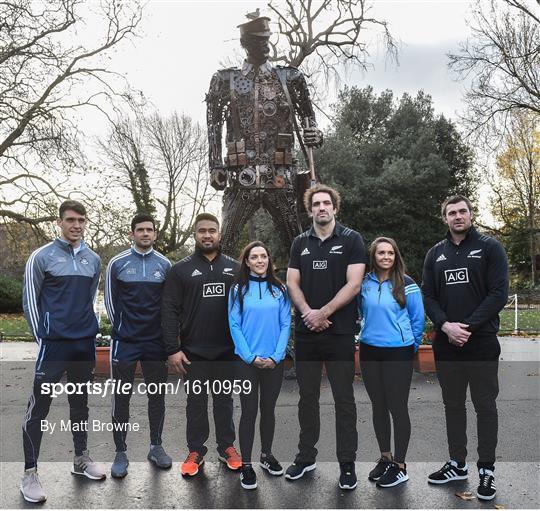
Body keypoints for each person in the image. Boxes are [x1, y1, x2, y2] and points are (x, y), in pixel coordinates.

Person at [206, 14, 323, 254]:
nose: (265, 44)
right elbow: (213, 126)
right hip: (241, 174)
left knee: (298, 243)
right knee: (225, 243)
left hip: (281, 173)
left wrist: (315, 135)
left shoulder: (290, 78)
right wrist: (215, 165)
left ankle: (306, 287)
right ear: (244, 43)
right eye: (257, 40)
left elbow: (309, 122)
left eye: (267, 38)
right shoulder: (225, 80)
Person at [422, 195, 509, 501]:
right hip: (447, 345)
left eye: (463, 211)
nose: (458, 216)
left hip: (481, 343)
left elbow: (499, 293)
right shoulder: (436, 254)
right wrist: (446, 326)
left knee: (485, 406)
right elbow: (428, 296)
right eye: (451, 213)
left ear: (471, 214)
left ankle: (486, 469)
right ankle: (457, 464)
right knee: (453, 406)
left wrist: (468, 327)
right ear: (444, 218)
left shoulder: (489, 248)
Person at [21, 200, 105, 503]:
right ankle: (30, 473)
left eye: (82, 220)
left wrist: (91, 332)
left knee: (80, 404)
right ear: (60, 222)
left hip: (83, 345)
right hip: (54, 345)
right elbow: (30, 302)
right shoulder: (40, 257)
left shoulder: (93, 259)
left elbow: (90, 298)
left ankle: (81, 459)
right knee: (39, 408)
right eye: (71, 220)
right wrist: (43, 339)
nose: (77, 225)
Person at [285, 184, 366, 490]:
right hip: (307, 333)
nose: (321, 207)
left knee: (344, 400)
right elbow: (293, 283)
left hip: (340, 333)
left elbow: (354, 284)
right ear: (310, 210)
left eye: (326, 203)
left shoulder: (351, 239)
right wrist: (308, 312)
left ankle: (347, 463)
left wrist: (325, 313)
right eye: (316, 203)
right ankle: (306, 457)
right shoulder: (299, 243)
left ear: (335, 208)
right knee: (307, 399)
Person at [161, 213, 242, 477]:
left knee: (224, 402)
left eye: (212, 230)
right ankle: (196, 450)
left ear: (219, 234)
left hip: (226, 353)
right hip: (193, 354)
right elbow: (169, 310)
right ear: (194, 234)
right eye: (202, 231)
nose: (207, 235)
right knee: (195, 404)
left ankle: (227, 447)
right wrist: (173, 349)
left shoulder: (236, 268)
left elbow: (247, 309)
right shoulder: (180, 269)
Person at [105, 213, 173, 478]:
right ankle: (120, 452)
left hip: (155, 342)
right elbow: (110, 302)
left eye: (150, 230)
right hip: (125, 341)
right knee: (121, 397)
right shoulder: (117, 263)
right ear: (132, 233)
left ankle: (156, 446)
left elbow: (168, 305)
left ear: (155, 235)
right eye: (140, 230)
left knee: (157, 396)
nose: (145, 233)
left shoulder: (165, 265)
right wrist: (122, 329)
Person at [358, 237, 425, 488]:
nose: (385, 257)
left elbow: (418, 320)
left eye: (390, 253)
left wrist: (411, 347)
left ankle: (400, 465)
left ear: (396, 256)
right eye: (380, 253)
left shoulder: (407, 284)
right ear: (373, 256)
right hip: (369, 350)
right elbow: (360, 312)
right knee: (378, 405)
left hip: (399, 352)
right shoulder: (364, 283)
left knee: (397, 407)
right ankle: (385, 458)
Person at [228, 241, 291, 490]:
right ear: (247, 261)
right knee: (249, 411)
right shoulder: (238, 289)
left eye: (264, 256)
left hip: (274, 361)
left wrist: (276, 356)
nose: (260, 260)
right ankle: (246, 464)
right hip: (247, 362)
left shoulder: (280, 289)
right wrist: (249, 356)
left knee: (268, 410)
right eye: (254, 257)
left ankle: (266, 455)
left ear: (269, 260)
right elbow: (234, 324)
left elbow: (286, 323)